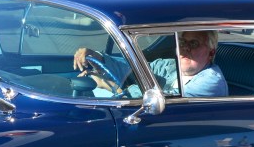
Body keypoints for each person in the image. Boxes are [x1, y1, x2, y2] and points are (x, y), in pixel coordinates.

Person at [74, 30, 228, 98]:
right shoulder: (169, 66)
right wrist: (99, 59)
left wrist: (109, 86)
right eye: (182, 42)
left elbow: (166, 103)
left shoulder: (211, 82)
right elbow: (135, 69)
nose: (185, 48)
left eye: (194, 43)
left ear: (211, 53)